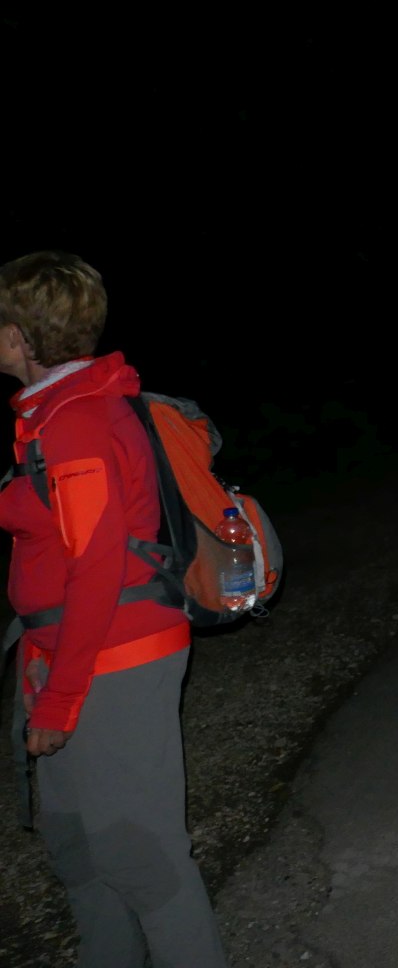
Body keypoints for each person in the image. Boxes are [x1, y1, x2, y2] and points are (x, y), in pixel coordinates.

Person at [1, 251, 228, 967]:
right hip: (67, 652)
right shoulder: (52, 413)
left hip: (114, 661)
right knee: (80, 853)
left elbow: (97, 569)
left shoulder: (76, 422)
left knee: (142, 859)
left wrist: (61, 698)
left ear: (19, 335)